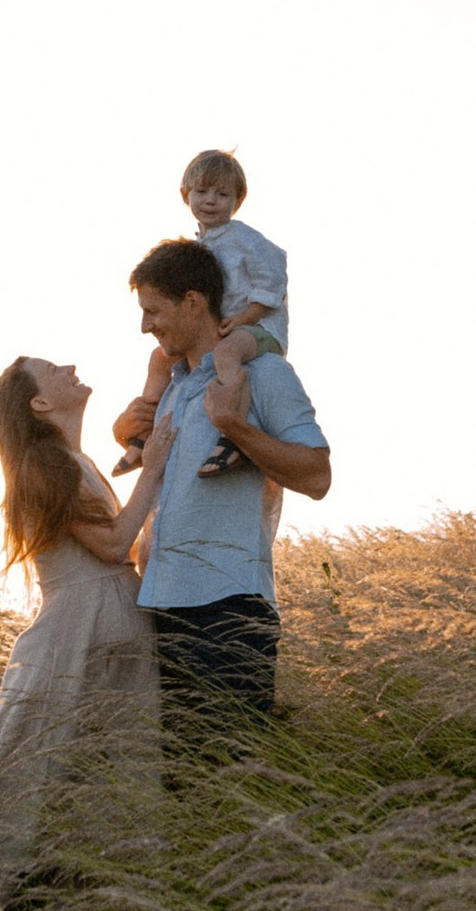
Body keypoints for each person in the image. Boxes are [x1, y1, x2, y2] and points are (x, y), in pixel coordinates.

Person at [0, 357, 179, 911]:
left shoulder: (77, 459)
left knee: (111, 781)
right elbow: (114, 546)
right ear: (40, 404)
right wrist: (154, 467)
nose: (69, 365)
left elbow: (122, 548)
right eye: (51, 369)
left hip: (110, 629)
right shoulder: (45, 463)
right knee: (27, 783)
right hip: (75, 635)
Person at [110, 239, 329, 763]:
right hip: (160, 608)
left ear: (193, 302)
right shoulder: (171, 390)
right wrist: (124, 431)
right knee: (176, 783)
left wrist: (234, 426)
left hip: (228, 613)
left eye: (153, 311)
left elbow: (318, 476)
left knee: (228, 779)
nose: (145, 326)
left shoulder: (264, 374)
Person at [113, 149, 290, 478]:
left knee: (226, 353)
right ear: (186, 194)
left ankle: (235, 432)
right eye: (202, 191)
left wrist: (246, 317)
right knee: (159, 358)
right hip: (224, 327)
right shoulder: (200, 245)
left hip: (258, 328)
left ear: (237, 201)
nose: (210, 200)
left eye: (222, 194)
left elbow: (274, 282)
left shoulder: (247, 241)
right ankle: (142, 435)